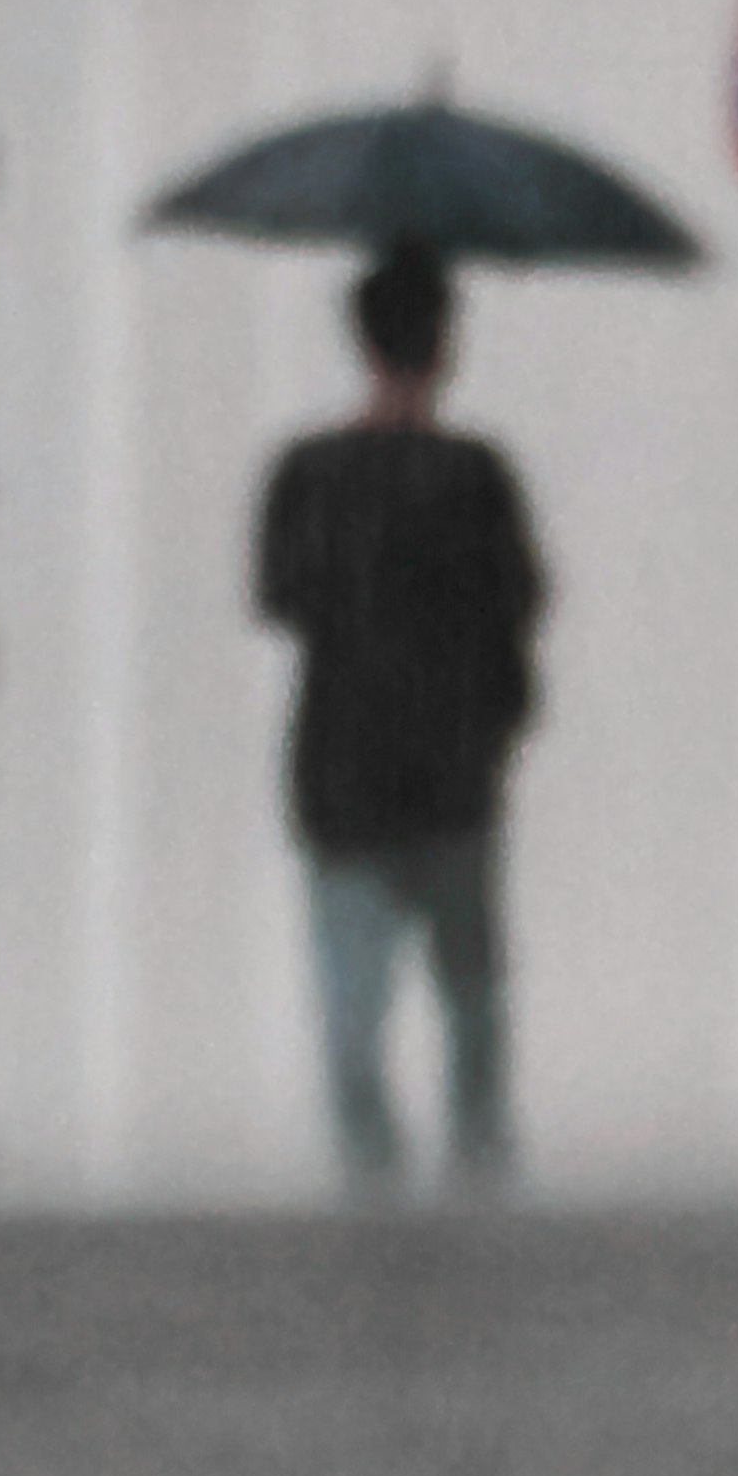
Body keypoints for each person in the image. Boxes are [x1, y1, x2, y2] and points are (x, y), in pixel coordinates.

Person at [252, 239, 549, 1199]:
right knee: (473, 1011)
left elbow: (282, 597)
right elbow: (520, 603)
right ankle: (478, 1185)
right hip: (456, 776)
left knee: (353, 1025)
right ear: (446, 346)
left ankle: (375, 1189)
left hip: (344, 778)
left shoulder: (305, 475)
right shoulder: (478, 477)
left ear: (361, 340)